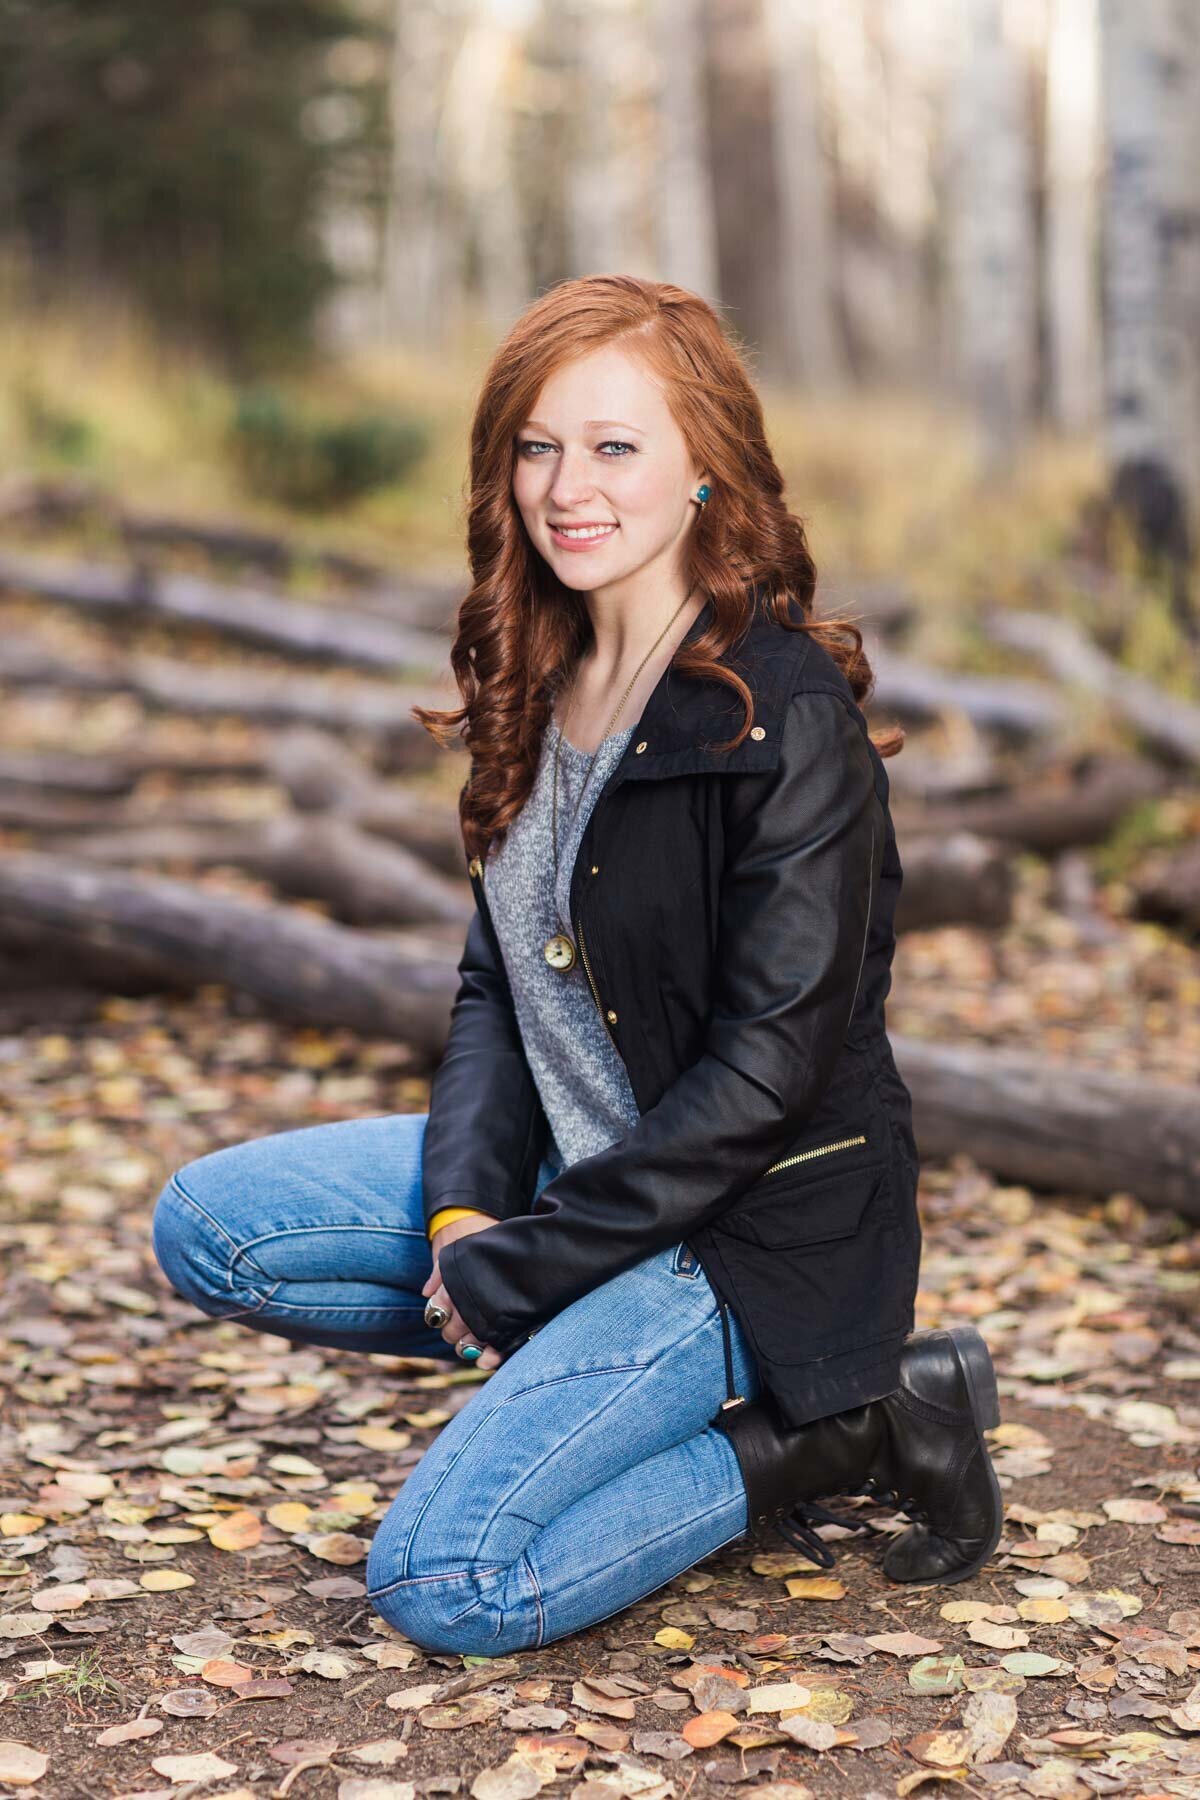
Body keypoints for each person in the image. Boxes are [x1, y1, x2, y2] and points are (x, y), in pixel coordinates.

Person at [151, 274, 1002, 1656]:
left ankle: (845, 1432)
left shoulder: (784, 721)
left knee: (450, 1585)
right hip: (579, 1172)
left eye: (616, 446)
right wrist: (466, 1221)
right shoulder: (538, 678)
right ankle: (582, 1369)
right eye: (537, 445)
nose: (566, 486)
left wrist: (534, 1265)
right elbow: (500, 992)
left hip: (742, 1235)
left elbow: (766, 1077)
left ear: (705, 469)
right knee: (209, 1222)